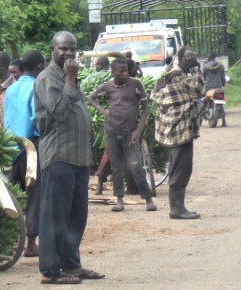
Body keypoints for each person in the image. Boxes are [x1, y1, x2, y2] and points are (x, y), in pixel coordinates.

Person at [33, 31, 104, 285]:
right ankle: (50, 271)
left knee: (76, 215)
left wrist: (71, 80)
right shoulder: (47, 78)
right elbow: (59, 113)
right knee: (55, 216)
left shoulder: (67, 77)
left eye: (73, 49)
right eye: (64, 48)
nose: (69, 53)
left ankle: (72, 265)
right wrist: (71, 80)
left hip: (78, 156)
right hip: (58, 155)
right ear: (53, 49)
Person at [88, 57, 157, 212]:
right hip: (112, 132)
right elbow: (91, 98)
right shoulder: (107, 86)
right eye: (121, 71)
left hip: (131, 133)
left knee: (136, 166)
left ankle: (148, 199)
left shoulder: (136, 84)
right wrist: (104, 111)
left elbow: (146, 108)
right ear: (113, 73)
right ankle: (119, 200)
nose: (125, 73)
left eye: (126, 70)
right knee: (116, 167)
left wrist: (138, 132)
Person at [152, 46, 204, 219]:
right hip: (180, 131)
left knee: (177, 168)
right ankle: (177, 209)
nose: (193, 62)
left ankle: (178, 207)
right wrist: (196, 69)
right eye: (190, 59)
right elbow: (197, 89)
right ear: (182, 61)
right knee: (181, 169)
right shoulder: (180, 79)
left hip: (173, 131)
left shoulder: (167, 77)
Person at [3, 49, 45, 258]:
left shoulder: (10, 89)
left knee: (14, 195)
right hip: (31, 148)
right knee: (34, 195)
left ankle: (10, 239)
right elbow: (38, 119)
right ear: (39, 66)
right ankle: (30, 244)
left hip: (10, 147)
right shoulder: (37, 87)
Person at [201, 53, 228, 127]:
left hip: (208, 88)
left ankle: (202, 113)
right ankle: (224, 121)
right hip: (218, 88)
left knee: (203, 99)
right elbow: (223, 78)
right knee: (221, 102)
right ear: (215, 57)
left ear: (208, 58)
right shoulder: (221, 66)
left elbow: (204, 77)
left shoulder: (205, 67)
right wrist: (223, 84)